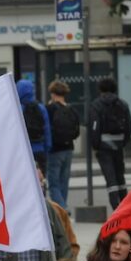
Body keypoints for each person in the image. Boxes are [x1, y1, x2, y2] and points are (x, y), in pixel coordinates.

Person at [89, 78, 131, 209]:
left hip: (103, 146)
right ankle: (125, 204)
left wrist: (96, 145)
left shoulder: (96, 105)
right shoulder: (122, 104)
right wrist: (123, 142)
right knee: (120, 176)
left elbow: (94, 127)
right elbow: (129, 126)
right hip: (118, 144)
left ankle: (115, 207)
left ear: (100, 89)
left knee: (110, 178)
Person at [46, 80, 80, 209]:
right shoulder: (71, 109)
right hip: (69, 148)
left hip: (55, 149)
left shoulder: (49, 109)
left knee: (53, 183)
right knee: (64, 182)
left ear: (53, 94)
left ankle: (62, 208)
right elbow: (76, 131)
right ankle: (64, 206)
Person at [18, 78, 51, 170]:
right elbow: (46, 129)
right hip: (39, 148)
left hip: (23, 152)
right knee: (41, 180)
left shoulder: (17, 109)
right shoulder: (40, 108)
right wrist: (47, 148)